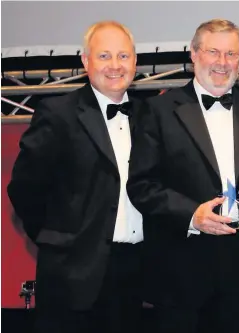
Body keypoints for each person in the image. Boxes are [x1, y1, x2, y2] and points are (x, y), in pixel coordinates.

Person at [126, 19, 239, 333]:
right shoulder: (156, 110)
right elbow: (142, 185)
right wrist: (192, 215)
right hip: (179, 273)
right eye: (213, 52)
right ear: (194, 54)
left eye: (231, 54)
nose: (222, 62)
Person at [7, 21, 144, 333]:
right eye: (105, 56)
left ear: (135, 61)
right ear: (86, 61)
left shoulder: (150, 115)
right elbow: (25, 188)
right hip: (71, 275)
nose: (115, 66)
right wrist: (60, 241)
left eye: (123, 56)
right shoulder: (58, 113)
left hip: (135, 272)